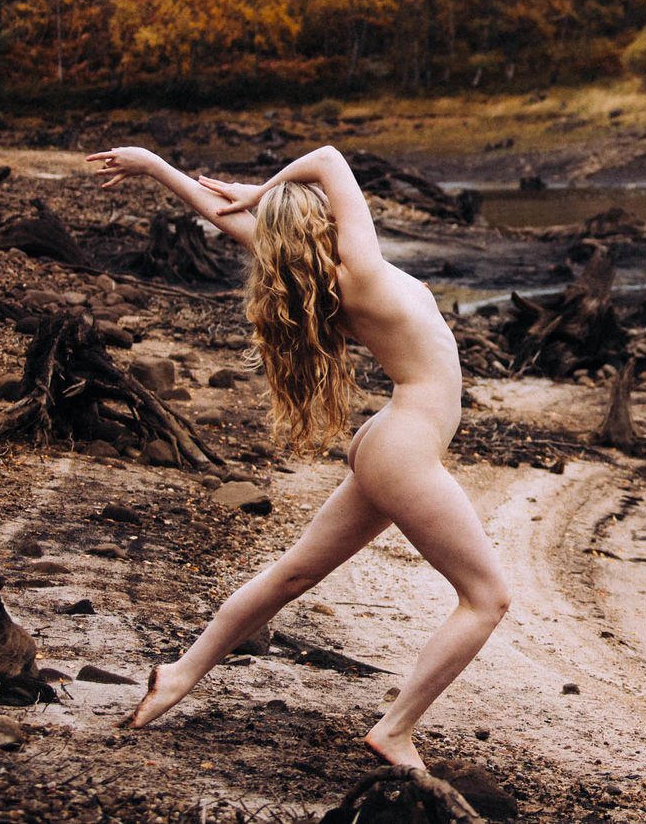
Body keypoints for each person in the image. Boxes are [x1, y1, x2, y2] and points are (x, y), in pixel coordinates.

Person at [85, 143, 510, 769]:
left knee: (292, 575)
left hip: (390, 440)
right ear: (321, 223)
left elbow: (224, 214)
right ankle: (394, 730)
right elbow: (331, 158)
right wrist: (259, 191)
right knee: (487, 598)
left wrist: (154, 165)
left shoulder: (321, 278)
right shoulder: (361, 271)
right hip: (403, 446)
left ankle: (178, 675)